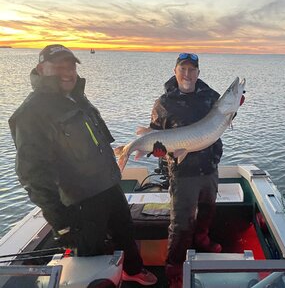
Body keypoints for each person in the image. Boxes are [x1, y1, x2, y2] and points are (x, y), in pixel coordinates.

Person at [8, 44, 157, 286]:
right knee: (91, 256)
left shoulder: (77, 98)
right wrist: (61, 224)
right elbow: (33, 176)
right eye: (59, 67)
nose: (67, 72)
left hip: (108, 185)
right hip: (80, 202)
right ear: (40, 69)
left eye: (71, 66)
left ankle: (132, 269)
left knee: (125, 231)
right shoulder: (31, 113)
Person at [150, 53, 223, 287]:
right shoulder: (164, 103)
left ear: (198, 73)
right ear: (175, 71)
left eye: (192, 69)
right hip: (183, 171)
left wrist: (235, 104)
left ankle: (202, 239)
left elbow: (224, 118)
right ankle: (174, 265)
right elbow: (154, 135)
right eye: (183, 69)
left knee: (207, 210)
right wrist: (158, 150)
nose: (188, 74)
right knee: (181, 223)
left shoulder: (211, 97)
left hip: (210, 167)